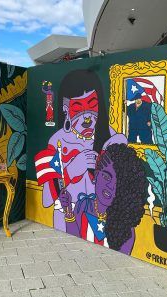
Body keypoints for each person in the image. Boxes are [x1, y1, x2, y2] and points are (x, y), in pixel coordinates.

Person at [35, 69, 127, 232]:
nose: (87, 118)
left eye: (92, 105)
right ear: (65, 108)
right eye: (78, 108)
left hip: (101, 219)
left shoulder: (111, 136)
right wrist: (72, 169)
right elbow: (47, 199)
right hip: (66, 218)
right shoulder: (57, 141)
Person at [59, 143, 147, 255]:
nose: (111, 186)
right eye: (106, 177)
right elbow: (73, 238)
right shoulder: (83, 205)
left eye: (119, 183)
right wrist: (68, 211)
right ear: (96, 175)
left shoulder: (126, 229)